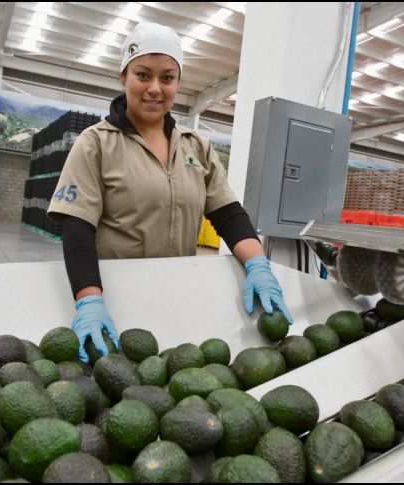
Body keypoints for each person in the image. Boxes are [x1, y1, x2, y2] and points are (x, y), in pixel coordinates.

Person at [47, 22, 294, 363]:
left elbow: (228, 213)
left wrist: (258, 265)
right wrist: (89, 301)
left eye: (167, 78)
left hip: (176, 294)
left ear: (177, 83)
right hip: (114, 298)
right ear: (124, 76)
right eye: (143, 75)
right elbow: (76, 228)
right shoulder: (96, 143)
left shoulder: (196, 147)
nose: (154, 88)